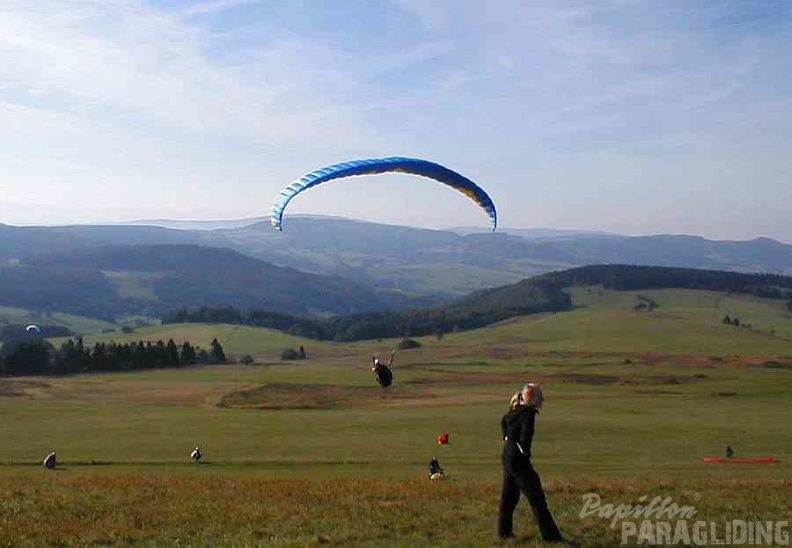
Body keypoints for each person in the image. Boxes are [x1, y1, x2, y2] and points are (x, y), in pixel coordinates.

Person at [498, 382, 564, 542]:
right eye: (540, 396)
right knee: (537, 499)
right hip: (517, 460)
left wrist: (507, 439)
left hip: (507, 456)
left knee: (509, 497)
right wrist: (524, 452)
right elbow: (525, 437)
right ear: (532, 398)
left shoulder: (516, 409)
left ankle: (504, 533)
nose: (543, 399)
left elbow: (503, 421)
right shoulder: (528, 413)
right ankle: (552, 538)